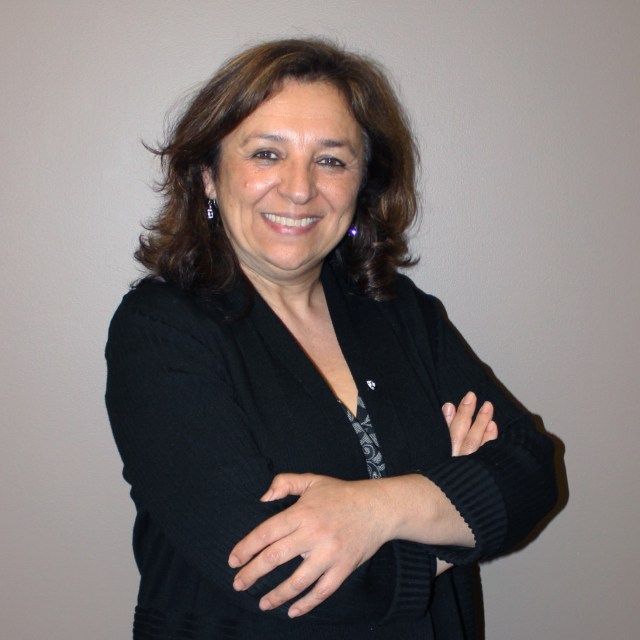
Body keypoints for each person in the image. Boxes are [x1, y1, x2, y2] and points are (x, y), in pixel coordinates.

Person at [105, 38, 558, 639]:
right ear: (209, 175)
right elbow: (273, 571)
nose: (300, 188)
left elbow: (531, 471)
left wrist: (377, 510)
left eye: (332, 161)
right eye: (267, 154)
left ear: (362, 182)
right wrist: (452, 522)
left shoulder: (398, 310)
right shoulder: (160, 331)